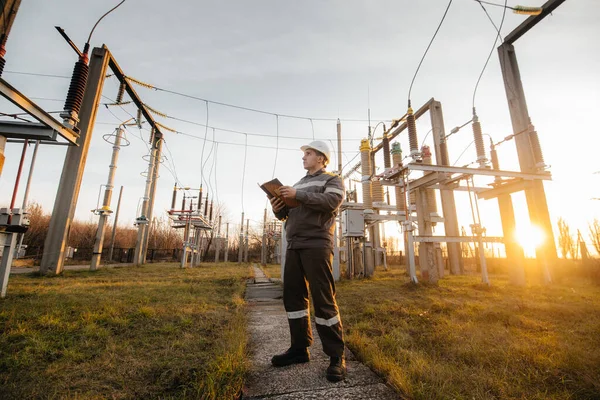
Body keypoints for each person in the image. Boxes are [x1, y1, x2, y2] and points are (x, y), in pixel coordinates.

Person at [268, 140, 346, 382]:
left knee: (323, 299)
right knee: (293, 297)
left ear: (322, 158)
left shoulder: (332, 180)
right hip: (294, 244)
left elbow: (331, 202)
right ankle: (299, 349)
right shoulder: (299, 184)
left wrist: (298, 195)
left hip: (316, 243)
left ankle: (336, 357)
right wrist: (277, 207)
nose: (304, 157)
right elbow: (287, 215)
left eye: (308, 153)